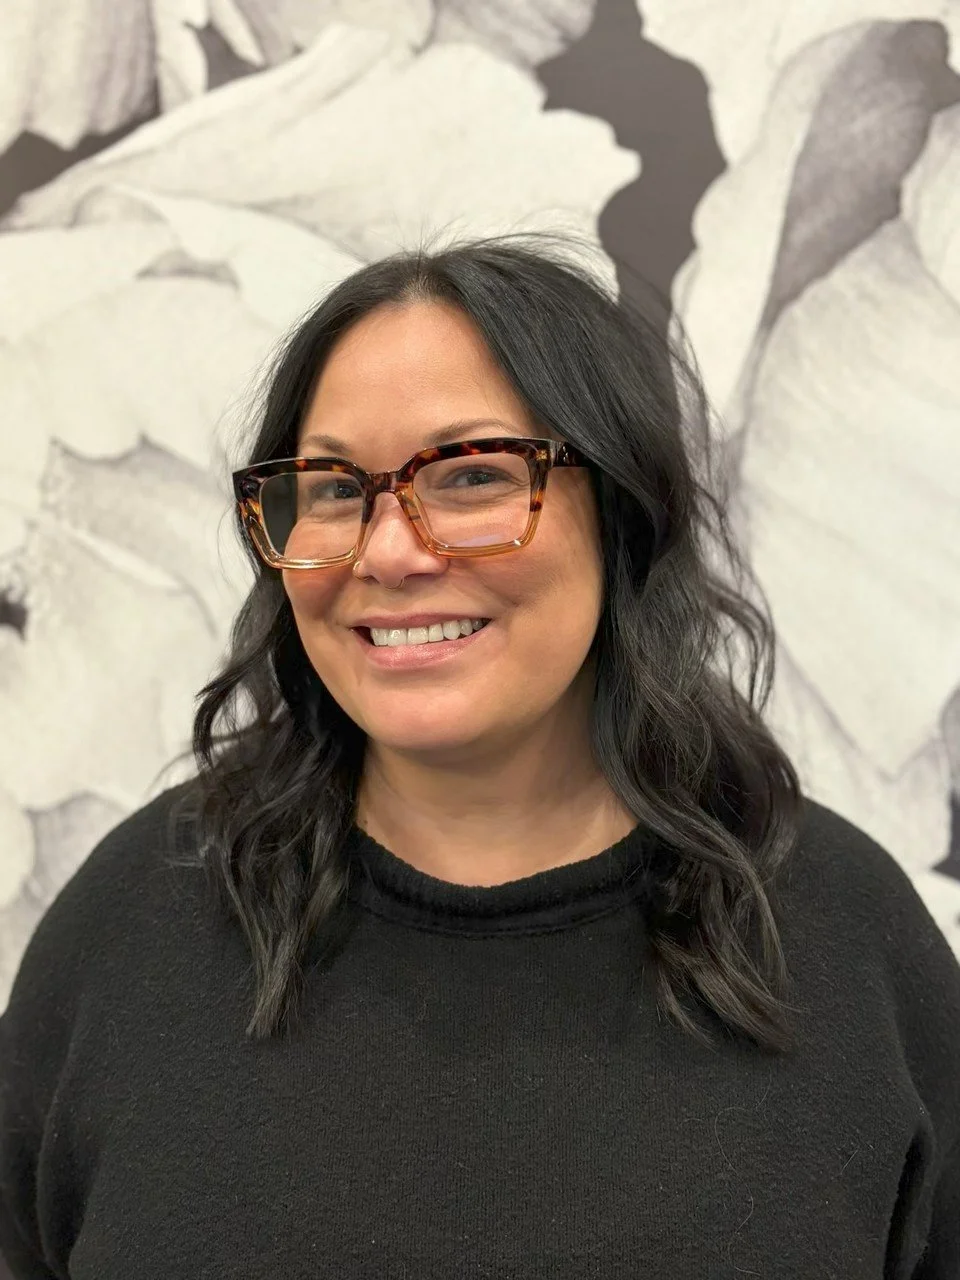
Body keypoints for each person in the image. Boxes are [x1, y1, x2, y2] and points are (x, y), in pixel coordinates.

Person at [1, 234, 958, 1279]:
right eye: (329, 488)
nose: (388, 549)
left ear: (622, 508)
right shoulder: (134, 924)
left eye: (470, 475)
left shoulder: (847, 938)